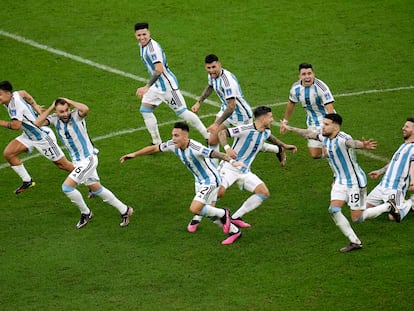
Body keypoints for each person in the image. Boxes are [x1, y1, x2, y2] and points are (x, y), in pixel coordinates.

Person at [281, 113, 398, 253]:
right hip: (340, 182)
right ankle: (355, 242)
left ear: (335, 127)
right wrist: (291, 128)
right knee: (334, 210)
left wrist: (362, 145)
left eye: (326, 124)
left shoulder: (343, 138)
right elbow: (309, 134)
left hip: (355, 182)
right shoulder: (324, 137)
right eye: (323, 123)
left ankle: (387, 206)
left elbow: (352, 143)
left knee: (358, 218)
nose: (322, 127)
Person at [120, 121, 246, 245]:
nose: (173, 138)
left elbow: (215, 154)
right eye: (173, 135)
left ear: (185, 137)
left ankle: (224, 213)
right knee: (209, 213)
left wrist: (233, 162)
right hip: (199, 181)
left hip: (211, 180)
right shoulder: (173, 145)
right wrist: (134, 154)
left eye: (176, 136)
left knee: (195, 208)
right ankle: (235, 232)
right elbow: (154, 148)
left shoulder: (195, 148)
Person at [187, 106, 297, 233]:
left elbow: (271, 137)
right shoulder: (246, 128)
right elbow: (222, 133)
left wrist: (284, 146)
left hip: (244, 171)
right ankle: (197, 216)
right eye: (271, 117)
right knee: (218, 193)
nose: (272, 120)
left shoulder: (265, 131)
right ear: (263, 118)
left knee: (263, 192)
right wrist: (227, 148)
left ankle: (235, 217)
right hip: (229, 167)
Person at [35, 98, 133, 229]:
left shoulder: (76, 115)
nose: (64, 114)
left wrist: (69, 101)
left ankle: (86, 213)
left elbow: (85, 109)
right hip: (77, 162)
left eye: (66, 110)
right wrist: (51, 108)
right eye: (61, 112)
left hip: (88, 159)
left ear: (69, 108)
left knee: (67, 187)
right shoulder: (54, 119)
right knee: (96, 189)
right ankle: (125, 210)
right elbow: (37, 123)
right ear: (56, 112)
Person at [191, 54, 286, 165]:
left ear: (219, 65)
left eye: (214, 67)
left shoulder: (227, 82)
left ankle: (279, 149)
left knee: (252, 145)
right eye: (209, 68)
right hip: (225, 109)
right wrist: (199, 102)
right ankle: (215, 170)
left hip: (241, 115)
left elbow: (232, 106)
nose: (211, 70)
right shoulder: (212, 75)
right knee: (212, 140)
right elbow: (210, 86)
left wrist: (216, 124)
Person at [134, 22, 209, 145]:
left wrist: (146, 87)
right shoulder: (142, 45)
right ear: (135, 35)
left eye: (144, 34)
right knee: (145, 110)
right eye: (139, 35)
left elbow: (159, 69)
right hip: (156, 86)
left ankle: (207, 135)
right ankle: (157, 142)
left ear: (149, 33)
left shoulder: (153, 49)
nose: (142, 37)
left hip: (167, 87)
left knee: (182, 113)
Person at [0, 80, 73, 194]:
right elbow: (24, 93)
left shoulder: (16, 105)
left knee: (63, 165)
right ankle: (27, 181)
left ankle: (90, 182)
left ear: (8, 93)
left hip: (42, 137)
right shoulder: (15, 95)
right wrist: (35, 106)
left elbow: (16, 126)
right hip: (29, 136)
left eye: (0, 95)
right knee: (9, 153)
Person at [280, 63, 336, 159]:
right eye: (304, 74)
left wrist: (329, 125)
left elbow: (329, 108)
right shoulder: (295, 88)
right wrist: (285, 121)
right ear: (299, 76)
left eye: (309, 73)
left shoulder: (321, 88)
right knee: (315, 154)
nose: (307, 76)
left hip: (325, 120)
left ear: (313, 74)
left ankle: (340, 155)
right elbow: (291, 103)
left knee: (329, 152)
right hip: (312, 122)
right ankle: (334, 151)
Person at [365, 117, 414, 222]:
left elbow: (413, 165)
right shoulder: (403, 146)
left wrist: (413, 181)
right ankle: (388, 205)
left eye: (407, 127)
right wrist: (380, 171)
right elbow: (393, 162)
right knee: (363, 209)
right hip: (382, 186)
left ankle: (411, 202)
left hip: (396, 189)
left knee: (393, 217)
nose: (403, 128)